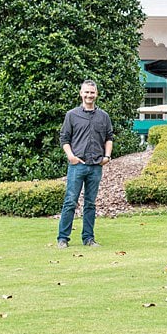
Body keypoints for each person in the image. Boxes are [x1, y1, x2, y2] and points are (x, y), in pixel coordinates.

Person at [56, 80, 113, 248]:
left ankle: (88, 238)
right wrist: (71, 157)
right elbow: (64, 139)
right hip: (77, 165)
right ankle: (63, 238)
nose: (89, 95)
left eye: (92, 93)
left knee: (90, 203)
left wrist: (107, 156)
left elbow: (109, 137)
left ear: (96, 94)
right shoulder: (71, 115)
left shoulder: (104, 116)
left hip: (96, 165)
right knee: (70, 201)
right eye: (86, 92)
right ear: (81, 93)